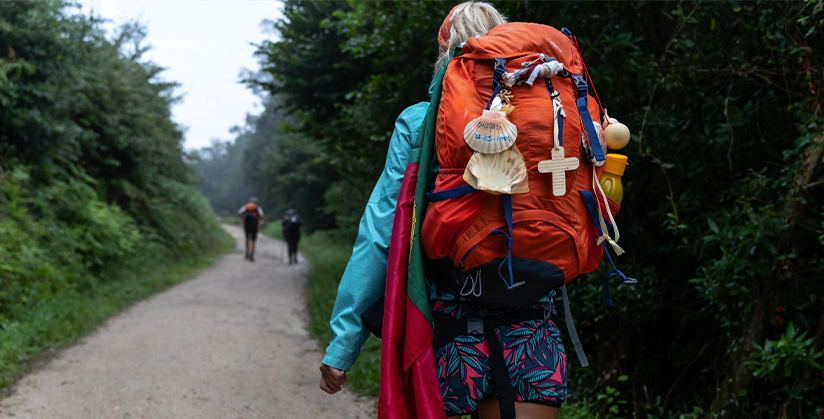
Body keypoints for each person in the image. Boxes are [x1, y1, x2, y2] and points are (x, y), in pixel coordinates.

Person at [318, 3, 573, 419]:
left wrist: (344, 342)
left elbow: (382, 233)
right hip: (531, 326)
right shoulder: (549, 118)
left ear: (445, 49)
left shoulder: (422, 121)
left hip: (444, 333)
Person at [238, 197, 263, 262]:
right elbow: (262, 215)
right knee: (253, 240)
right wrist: (258, 219)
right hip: (254, 225)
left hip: (247, 224)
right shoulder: (258, 207)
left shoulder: (246, 206)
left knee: (247, 239)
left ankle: (247, 253)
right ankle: (252, 254)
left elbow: (239, 212)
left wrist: (243, 218)